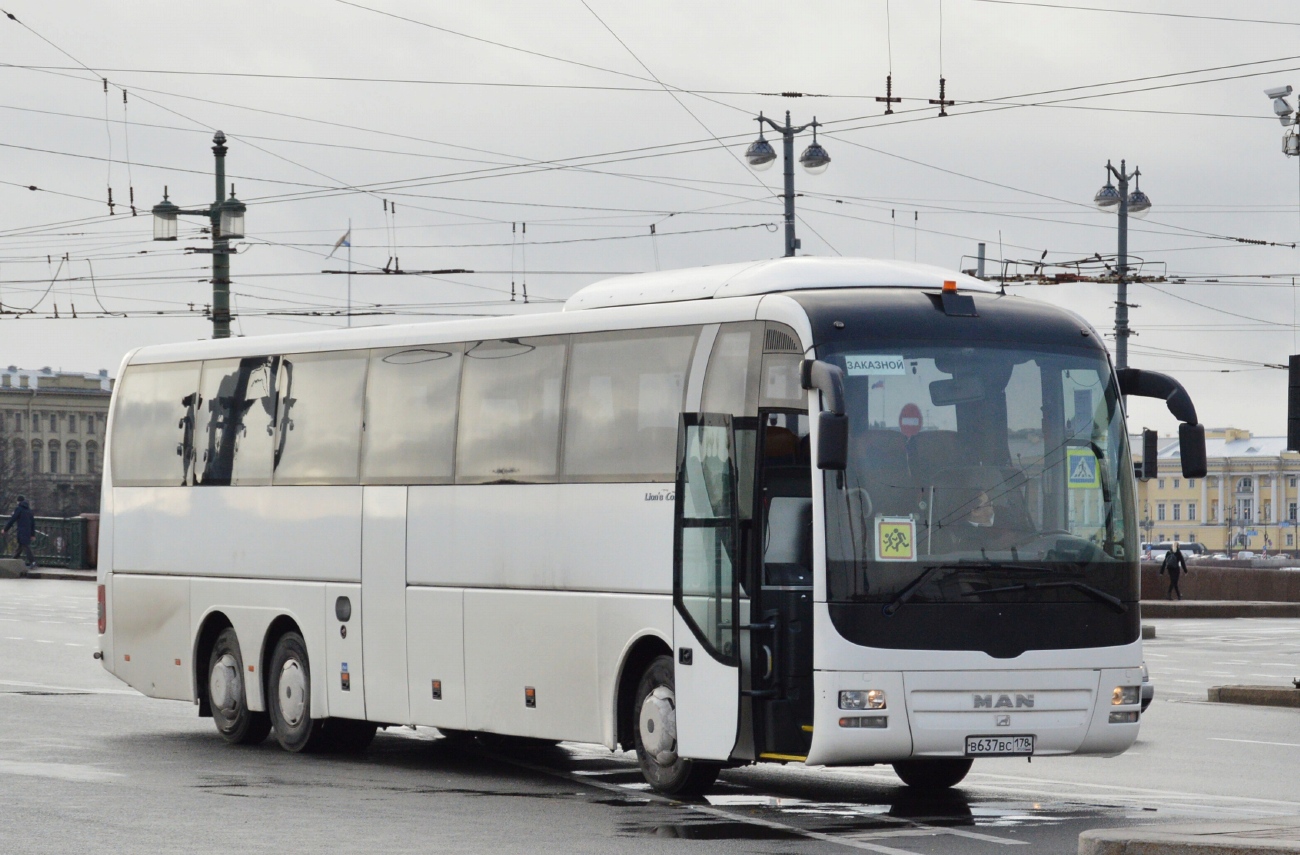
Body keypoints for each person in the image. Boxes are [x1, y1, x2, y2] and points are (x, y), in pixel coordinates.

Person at [3, 495, 36, 574]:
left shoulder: (19, 509)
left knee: (25, 545)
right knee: (21, 546)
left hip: (22, 531)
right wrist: (32, 534)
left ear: (18, 501)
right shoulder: (29, 510)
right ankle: (14, 560)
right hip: (27, 531)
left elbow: (12, 520)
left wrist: (5, 529)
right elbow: (33, 523)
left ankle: (32, 561)